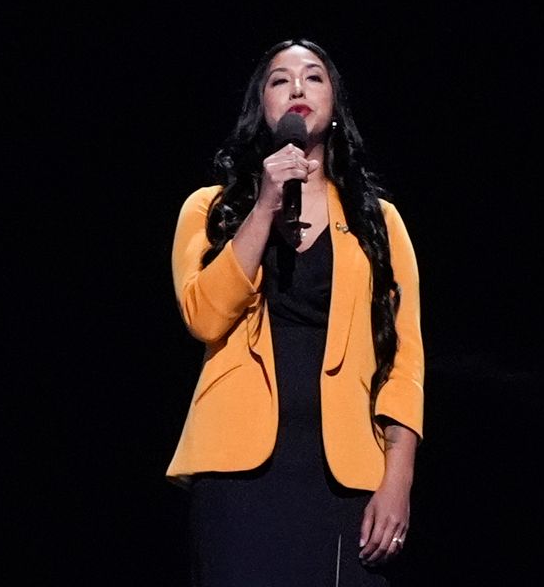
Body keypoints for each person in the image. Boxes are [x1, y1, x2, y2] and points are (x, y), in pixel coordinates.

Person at [169, 38, 425, 581]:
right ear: (262, 110)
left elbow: (403, 361)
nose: (297, 88)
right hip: (238, 478)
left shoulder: (378, 221)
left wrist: (397, 479)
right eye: (279, 80)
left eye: (313, 77)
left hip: (347, 475)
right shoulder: (209, 208)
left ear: (335, 107)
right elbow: (204, 316)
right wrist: (263, 203)